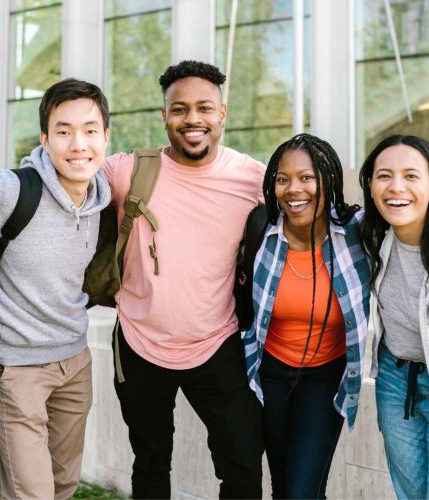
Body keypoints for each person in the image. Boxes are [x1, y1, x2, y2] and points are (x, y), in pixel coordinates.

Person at [102, 60, 265, 499]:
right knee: (151, 463)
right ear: (164, 116)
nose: (193, 119)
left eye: (204, 108)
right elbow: (63, 179)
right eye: (180, 109)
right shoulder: (127, 171)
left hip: (217, 341)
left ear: (223, 113)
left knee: (243, 465)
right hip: (138, 343)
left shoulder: (253, 179)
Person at [0, 78, 111, 499]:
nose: (78, 144)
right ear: (45, 138)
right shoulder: (10, 190)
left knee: (63, 486)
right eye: (63, 131)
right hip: (14, 367)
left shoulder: (102, 198)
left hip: (74, 360)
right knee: (31, 494)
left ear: (106, 137)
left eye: (90, 130)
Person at [243, 133, 370, 499]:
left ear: (329, 179)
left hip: (325, 376)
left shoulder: (356, 232)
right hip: (269, 373)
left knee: (300, 491)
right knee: (285, 487)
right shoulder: (261, 230)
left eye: (307, 177)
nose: (293, 189)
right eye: (282, 179)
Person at [359, 134, 429, 500]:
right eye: (384, 175)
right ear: (370, 186)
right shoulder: (370, 236)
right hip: (395, 380)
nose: (396, 187)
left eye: (412, 176)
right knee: (412, 493)